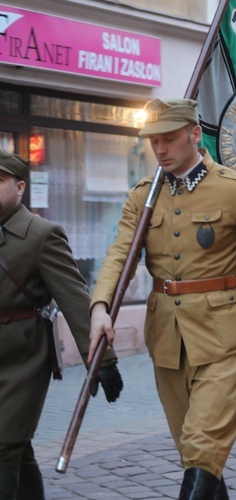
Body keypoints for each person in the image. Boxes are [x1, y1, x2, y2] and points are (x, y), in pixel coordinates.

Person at [89, 99, 236, 498]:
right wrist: (100, 307)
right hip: (168, 341)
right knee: (196, 456)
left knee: (202, 448)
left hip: (223, 342)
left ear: (195, 134)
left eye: (169, 139)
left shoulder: (235, 191)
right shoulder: (143, 197)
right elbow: (121, 255)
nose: (160, 149)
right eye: (154, 141)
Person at [0, 151, 123, 499]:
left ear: (20, 186)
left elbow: (74, 298)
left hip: (22, 357)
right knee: (16, 447)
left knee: (3, 445)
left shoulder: (42, 234)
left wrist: (102, 361)